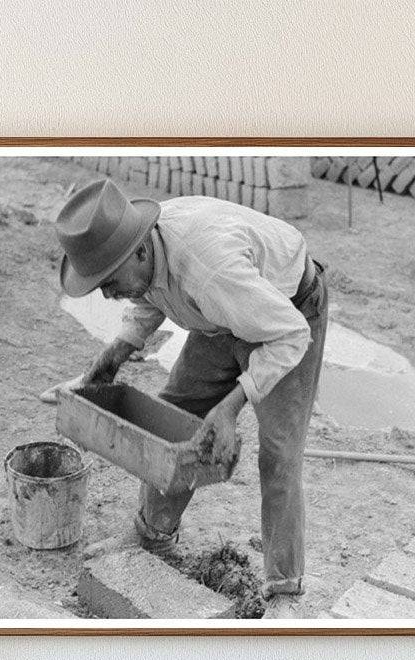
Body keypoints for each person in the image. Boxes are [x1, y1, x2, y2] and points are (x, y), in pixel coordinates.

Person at [55, 177, 328, 619]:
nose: (107, 293)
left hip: (288, 313)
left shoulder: (209, 267)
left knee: (278, 454)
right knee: (174, 416)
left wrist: (232, 406)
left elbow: (289, 335)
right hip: (220, 318)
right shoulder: (143, 247)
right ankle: (153, 535)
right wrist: (119, 348)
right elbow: (148, 291)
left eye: (108, 281)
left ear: (140, 250)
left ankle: (285, 593)